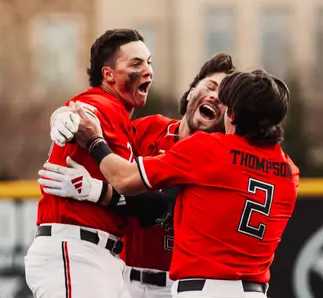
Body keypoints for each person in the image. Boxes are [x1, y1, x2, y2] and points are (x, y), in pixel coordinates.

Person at [41, 69, 299, 298]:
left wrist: (95, 141)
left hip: (203, 290)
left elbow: (124, 179)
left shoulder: (209, 150)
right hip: (254, 290)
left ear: (232, 114)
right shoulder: (289, 171)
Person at [24, 28, 155, 298]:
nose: (148, 70)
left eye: (149, 62)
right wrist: (62, 118)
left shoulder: (123, 120)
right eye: (136, 63)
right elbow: (79, 111)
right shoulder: (102, 103)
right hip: (76, 249)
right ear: (108, 74)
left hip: (100, 256)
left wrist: (95, 188)